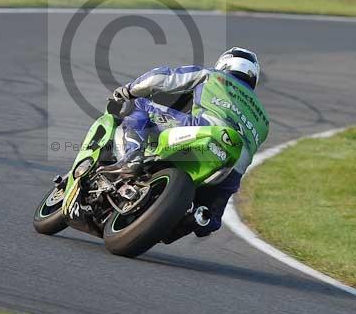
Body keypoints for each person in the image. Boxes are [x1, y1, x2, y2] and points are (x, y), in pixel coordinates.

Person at [109, 47, 270, 237]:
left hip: (205, 130)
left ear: (225, 63)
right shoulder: (264, 120)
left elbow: (162, 77)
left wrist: (128, 91)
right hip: (232, 168)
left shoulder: (213, 75)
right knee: (210, 219)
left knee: (140, 104)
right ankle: (193, 217)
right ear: (254, 77)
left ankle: (132, 155)